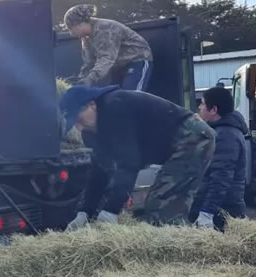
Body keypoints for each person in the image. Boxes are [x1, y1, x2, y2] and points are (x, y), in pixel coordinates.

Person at [60, 85, 215, 228]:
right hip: (174, 144)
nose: (79, 127)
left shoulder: (114, 107)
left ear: (92, 105)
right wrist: (85, 211)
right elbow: (99, 171)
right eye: (75, 124)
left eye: (79, 119)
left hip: (193, 137)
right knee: (164, 202)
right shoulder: (91, 132)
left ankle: (175, 249)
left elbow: (129, 163)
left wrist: (111, 210)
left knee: (161, 204)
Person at [192, 87, 248, 230]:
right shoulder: (219, 131)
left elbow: (221, 177)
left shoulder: (226, 136)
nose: (200, 107)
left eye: (203, 104)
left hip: (222, 211)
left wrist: (207, 212)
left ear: (214, 110)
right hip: (219, 207)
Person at [64, 4, 153, 90]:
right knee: (113, 97)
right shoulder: (86, 38)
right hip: (116, 67)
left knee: (131, 96)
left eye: (71, 28)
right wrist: (81, 79)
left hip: (137, 60)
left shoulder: (105, 29)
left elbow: (107, 58)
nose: (71, 33)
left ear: (80, 24)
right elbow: (89, 62)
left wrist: (90, 79)